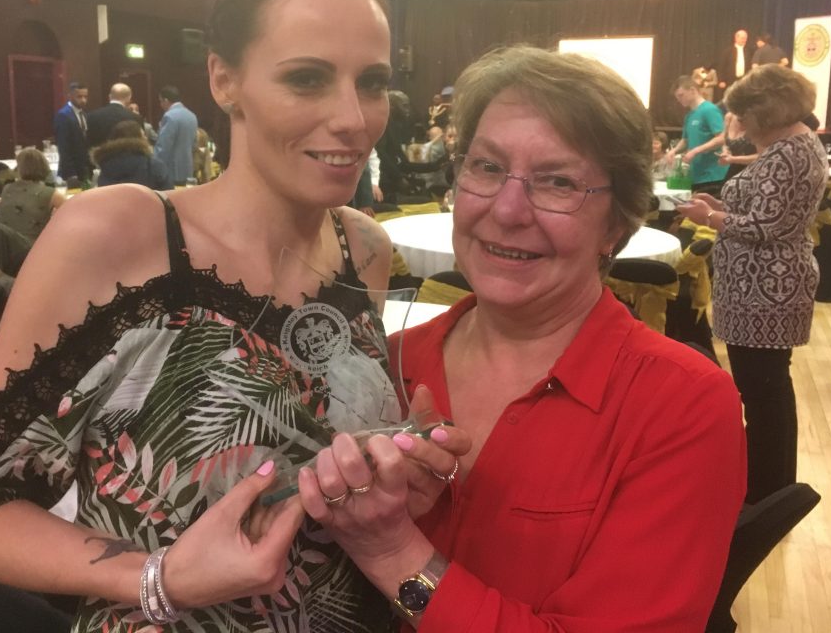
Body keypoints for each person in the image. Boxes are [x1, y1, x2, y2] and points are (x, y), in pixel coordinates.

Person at [0, 0, 458, 632]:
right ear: (225, 80)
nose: (354, 117)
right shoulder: (123, 234)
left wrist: (396, 478)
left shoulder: (364, 247)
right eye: (307, 78)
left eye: (372, 82)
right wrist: (159, 576)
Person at [292, 46, 746, 631]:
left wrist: (392, 552)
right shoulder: (390, 362)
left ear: (616, 223)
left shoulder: (681, 404)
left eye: (558, 182)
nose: (507, 211)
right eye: (486, 166)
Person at [678, 64, 827, 504]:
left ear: (767, 111)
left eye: (743, 115)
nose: (739, 125)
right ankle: (772, 484)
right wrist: (720, 206)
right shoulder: (797, 144)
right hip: (764, 285)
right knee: (768, 390)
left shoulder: (787, 153)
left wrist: (711, 217)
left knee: (763, 391)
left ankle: (766, 492)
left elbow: (766, 226)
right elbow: (770, 212)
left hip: (765, 288)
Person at [666, 75, 728, 195]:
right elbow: (685, 140)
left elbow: (721, 138)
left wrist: (695, 151)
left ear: (693, 90)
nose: (679, 100)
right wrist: (674, 151)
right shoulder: (689, 115)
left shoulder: (709, 110)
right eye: (677, 97)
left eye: (681, 95)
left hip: (712, 175)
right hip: (696, 174)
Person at [0, 147, 65, 242]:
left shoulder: (7, 189)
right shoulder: (51, 194)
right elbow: (72, 216)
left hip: (4, 245)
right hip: (34, 247)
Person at [92, 119, 172, 190]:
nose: (146, 138)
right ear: (139, 139)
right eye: (143, 135)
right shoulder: (153, 165)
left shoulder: (105, 166)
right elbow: (167, 195)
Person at [154, 85, 197, 185]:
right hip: (188, 169)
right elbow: (194, 144)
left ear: (166, 100)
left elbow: (163, 147)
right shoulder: (192, 115)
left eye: (160, 101)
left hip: (171, 170)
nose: (161, 105)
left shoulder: (169, 116)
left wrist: (155, 166)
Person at [54, 82, 91, 184]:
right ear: (70, 96)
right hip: (71, 171)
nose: (83, 100)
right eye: (79, 97)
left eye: (85, 97)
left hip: (83, 168)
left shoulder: (84, 114)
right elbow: (63, 147)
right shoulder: (63, 115)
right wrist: (71, 174)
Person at [86, 83, 140, 149]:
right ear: (129, 98)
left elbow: (89, 144)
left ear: (110, 96)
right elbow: (139, 145)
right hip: (128, 154)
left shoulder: (92, 116)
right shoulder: (136, 118)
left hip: (102, 155)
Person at [714, 28, 754, 102]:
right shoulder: (728, 51)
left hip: (743, 79)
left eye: (745, 38)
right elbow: (721, 66)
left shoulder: (749, 51)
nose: (744, 40)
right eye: (742, 38)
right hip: (730, 80)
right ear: (736, 38)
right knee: (730, 98)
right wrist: (721, 80)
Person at [718, 110, 758, 179]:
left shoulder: (757, 121)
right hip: (732, 172)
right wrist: (725, 151)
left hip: (752, 173)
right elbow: (723, 141)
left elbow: (763, 156)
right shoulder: (729, 116)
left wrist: (733, 159)